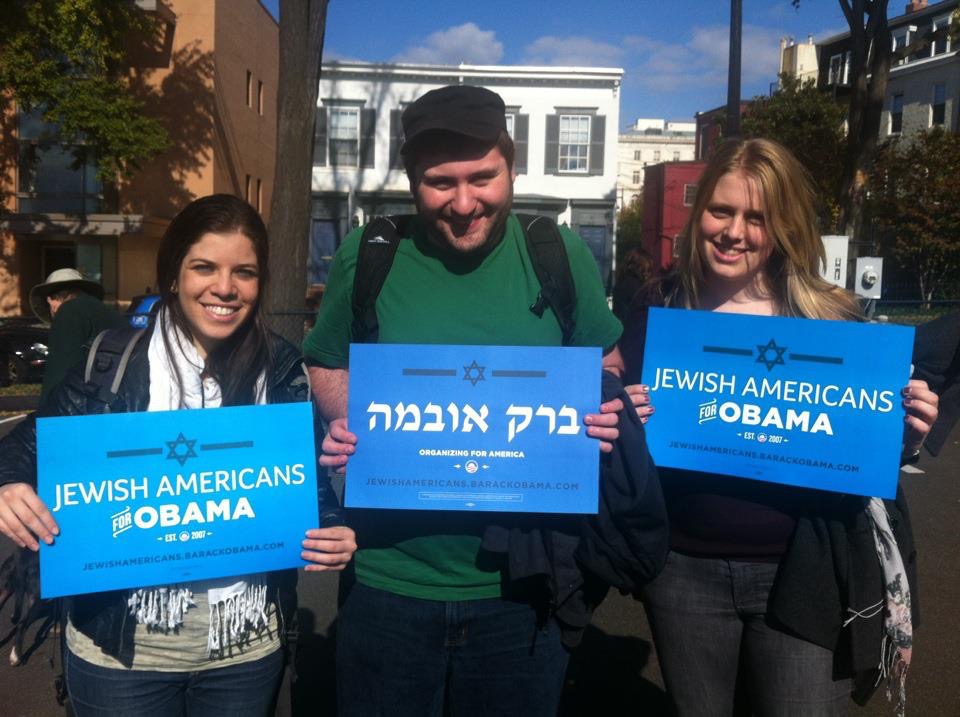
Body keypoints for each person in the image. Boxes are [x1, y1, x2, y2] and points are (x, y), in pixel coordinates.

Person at [304, 85, 630, 716]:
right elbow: (325, 357)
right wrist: (349, 418)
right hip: (386, 578)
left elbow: (605, 365)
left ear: (510, 165)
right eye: (439, 182)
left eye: (483, 177)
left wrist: (607, 411)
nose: (463, 203)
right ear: (411, 180)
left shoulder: (556, 253)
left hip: (522, 585)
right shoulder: (370, 254)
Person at [0, 194, 357, 716]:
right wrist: (10, 483)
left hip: (244, 645)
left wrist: (333, 525)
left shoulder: (280, 365)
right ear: (173, 275)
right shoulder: (115, 360)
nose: (225, 288)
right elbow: (27, 442)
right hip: (121, 650)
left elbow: (302, 483)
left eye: (245, 272)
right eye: (204, 267)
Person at [620, 138, 939, 716]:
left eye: (756, 218)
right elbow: (619, 425)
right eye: (721, 210)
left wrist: (906, 437)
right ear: (699, 215)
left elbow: (865, 450)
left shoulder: (829, 315)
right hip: (681, 569)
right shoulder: (660, 307)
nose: (733, 231)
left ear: (783, 227)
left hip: (804, 567)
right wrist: (626, 419)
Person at [29, 267, 126, 404]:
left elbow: (58, 372)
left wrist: (44, 415)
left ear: (50, 299)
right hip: (122, 401)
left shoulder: (68, 312)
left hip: (89, 408)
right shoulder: (108, 313)